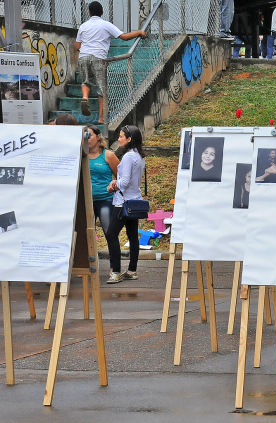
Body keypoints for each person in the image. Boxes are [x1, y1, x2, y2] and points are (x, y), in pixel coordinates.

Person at [75, 1, 146, 123]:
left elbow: (77, 46)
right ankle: (101, 118)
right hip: (98, 57)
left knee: (86, 81)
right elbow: (124, 37)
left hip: (83, 56)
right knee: (102, 88)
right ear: (102, 12)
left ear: (89, 13)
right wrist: (139, 32)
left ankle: (85, 97)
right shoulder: (106, 25)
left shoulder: (83, 26)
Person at [105, 125, 146, 283]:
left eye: (121, 136)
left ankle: (115, 271)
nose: (119, 139)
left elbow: (125, 181)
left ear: (129, 139)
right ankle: (132, 270)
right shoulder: (139, 156)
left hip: (123, 202)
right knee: (132, 235)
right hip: (134, 200)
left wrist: (114, 184)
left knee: (111, 234)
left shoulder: (129, 157)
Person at [87, 125, 119, 234]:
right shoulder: (82, 156)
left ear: (98, 136)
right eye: (84, 136)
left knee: (109, 233)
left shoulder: (108, 155)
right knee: (87, 235)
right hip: (87, 201)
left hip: (105, 199)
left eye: (89, 136)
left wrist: (114, 186)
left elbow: (120, 177)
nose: (87, 139)